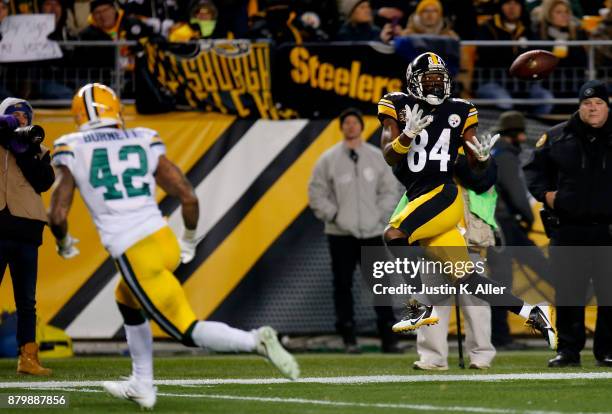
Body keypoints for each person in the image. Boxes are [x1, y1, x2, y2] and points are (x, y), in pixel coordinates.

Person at [48, 83, 299, 409]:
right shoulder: (141, 137)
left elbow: (57, 213)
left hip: (135, 251)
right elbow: (188, 195)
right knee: (126, 298)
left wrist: (64, 241)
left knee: (186, 330)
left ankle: (256, 341)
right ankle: (142, 382)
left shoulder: (72, 145)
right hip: (163, 239)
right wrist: (189, 239)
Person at [376, 52, 556, 350]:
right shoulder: (396, 104)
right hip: (420, 194)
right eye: (428, 80)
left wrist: (482, 160)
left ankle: (420, 306)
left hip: (443, 195)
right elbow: (390, 154)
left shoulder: (460, 109)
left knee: (394, 234)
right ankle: (532, 311)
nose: (434, 86)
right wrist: (407, 134)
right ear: (413, 82)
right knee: (468, 279)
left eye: (439, 80)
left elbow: (474, 164)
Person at [524, 80, 612, 368]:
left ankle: (607, 350)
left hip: (608, 229)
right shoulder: (557, 137)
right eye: (587, 103)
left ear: (608, 106)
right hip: (568, 227)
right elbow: (534, 171)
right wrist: (547, 196)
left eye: (598, 103)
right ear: (579, 106)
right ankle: (568, 351)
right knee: (568, 294)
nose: (593, 108)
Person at [308, 108, 401, 353]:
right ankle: (348, 337)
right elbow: (316, 193)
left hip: (372, 233)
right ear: (341, 128)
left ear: (361, 126)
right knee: (342, 284)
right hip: (340, 234)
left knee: (380, 285)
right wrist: (335, 216)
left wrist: (379, 217)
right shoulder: (328, 159)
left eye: (354, 122)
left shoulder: (376, 156)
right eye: (346, 122)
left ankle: (388, 338)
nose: (351, 126)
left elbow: (390, 190)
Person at [488, 111, 551, 350]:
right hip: (505, 225)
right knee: (507, 278)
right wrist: (526, 216)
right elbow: (515, 192)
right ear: (515, 134)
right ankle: (500, 338)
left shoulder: (496, 152)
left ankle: (500, 336)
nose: (524, 137)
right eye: (522, 132)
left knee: (500, 280)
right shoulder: (505, 156)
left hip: (498, 224)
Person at [0, 98, 55, 375]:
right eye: (14, 116)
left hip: (26, 231)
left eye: (24, 116)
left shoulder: (39, 149)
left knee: (26, 300)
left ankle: (28, 357)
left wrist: (23, 150)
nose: (20, 120)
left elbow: (44, 182)